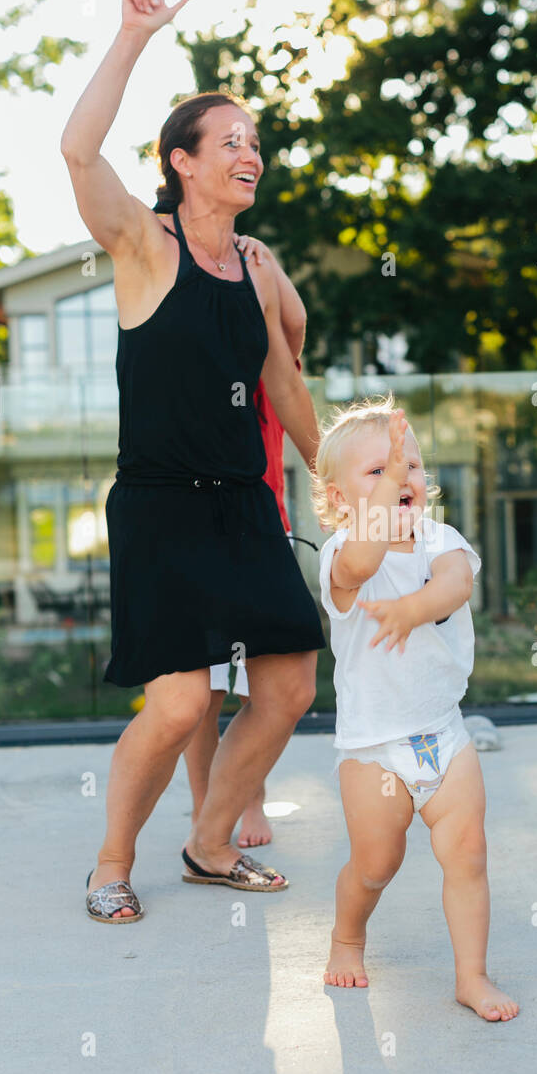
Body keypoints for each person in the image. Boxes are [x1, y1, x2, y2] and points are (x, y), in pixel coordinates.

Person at [61, 0, 325, 922]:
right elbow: (80, 155)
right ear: (181, 160)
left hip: (242, 505)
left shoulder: (254, 266)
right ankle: (110, 860)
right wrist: (132, 36)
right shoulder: (141, 244)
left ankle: (209, 843)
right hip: (161, 507)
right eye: (229, 142)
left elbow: (284, 383)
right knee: (178, 703)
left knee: (290, 684)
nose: (249, 155)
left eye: (255, 143)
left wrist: (334, 479)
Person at [313, 396, 519, 1022]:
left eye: (410, 465)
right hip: (374, 749)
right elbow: (363, 560)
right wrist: (380, 508)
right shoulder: (342, 557)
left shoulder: (440, 539)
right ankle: (348, 935)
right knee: (377, 865)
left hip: (445, 737)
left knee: (468, 856)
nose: (402, 477)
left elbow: (456, 585)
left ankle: (471, 976)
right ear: (340, 499)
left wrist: (413, 609)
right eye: (378, 471)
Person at [183, 242, 310, 850]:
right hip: (198, 532)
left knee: (264, 684)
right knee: (201, 688)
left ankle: (248, 799)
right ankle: (204, 809)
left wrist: (265, 264)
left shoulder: (275, 368)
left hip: (264, 530)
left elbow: (296, 322)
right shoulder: (197, 369)